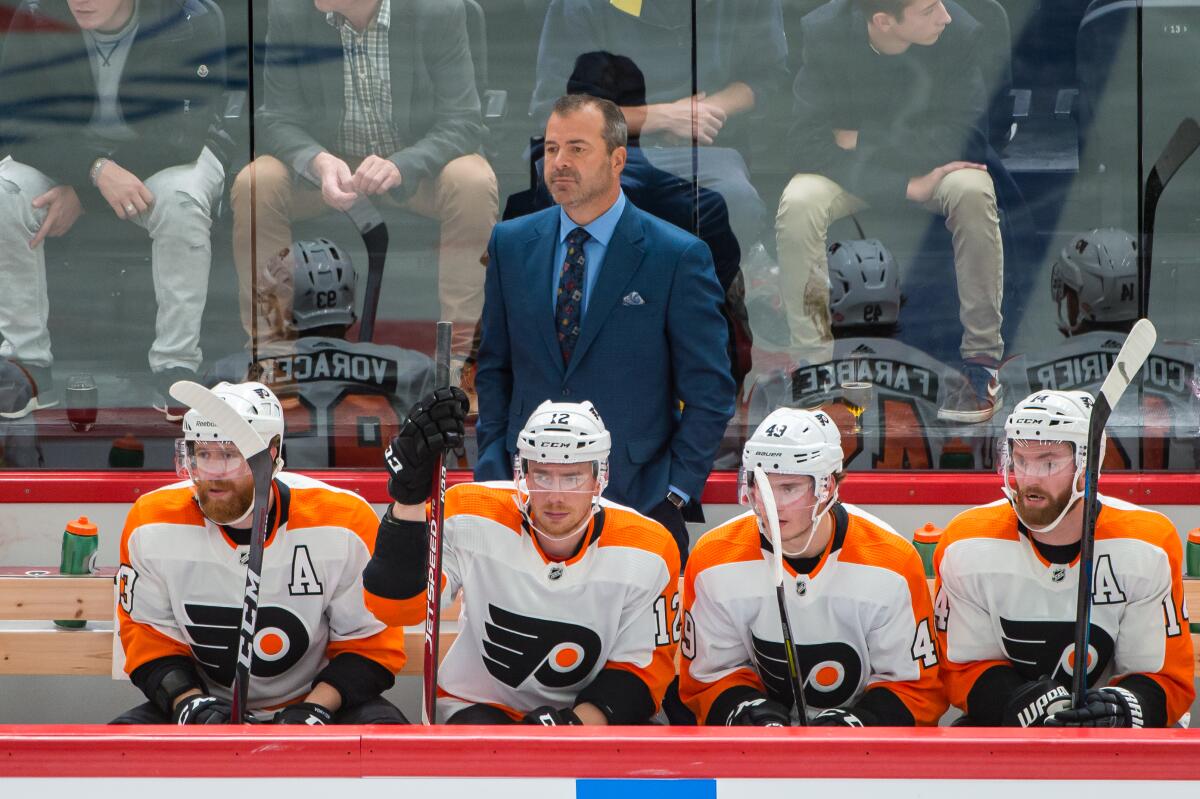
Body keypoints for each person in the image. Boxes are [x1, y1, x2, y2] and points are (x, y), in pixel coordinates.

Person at [474, 94, 736, 564]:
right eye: (552, 148)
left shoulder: (677, 256)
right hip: (523, 504)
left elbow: (710, 391)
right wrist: (494, 467)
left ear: (618, 159)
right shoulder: (511, 243)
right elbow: (495, 367)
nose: (559, 162)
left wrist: (674, 494)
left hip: (637, 503)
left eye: (577, 148)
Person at [365, 394, 680, 724]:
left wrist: (571, 727)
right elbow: (394, 608)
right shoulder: (469, 513)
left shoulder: (649, 547)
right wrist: (408, 502)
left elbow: (642, 671)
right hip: (477, 707)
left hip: (588, 721)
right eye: (542, 475)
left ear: (599, 476)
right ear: (524, 474)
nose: (556, 496)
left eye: (572, 477)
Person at [113, 381, 408, 724]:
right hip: (207, 701)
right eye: (203, 454)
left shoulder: (342, 521)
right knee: (114, 753)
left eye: (229, 454)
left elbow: (369, 643)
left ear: (271, 453)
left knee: (388, 742)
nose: (214, 473)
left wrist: (316, 709)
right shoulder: (151, 522)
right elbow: (149, 636)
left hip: (317, 698)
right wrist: (188, 702)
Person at [234, 0, 499, 368]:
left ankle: (463, 361)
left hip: (414, 172)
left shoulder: (438, 11)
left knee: (472, 179)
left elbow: (464, 121)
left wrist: (401, 164)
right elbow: (276, 118)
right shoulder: (290, 12)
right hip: (331, 175)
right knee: (256, 182)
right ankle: (273, 357)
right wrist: (318, 161)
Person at [0, 0, 232, 419]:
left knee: (181, 201)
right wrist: (94, 172)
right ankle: (26, 363)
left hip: (168, 157)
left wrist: (86, 192)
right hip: (70, 159)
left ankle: (177, 365)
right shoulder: (35, 13)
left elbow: (184, 133)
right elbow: (17, 125)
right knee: (6, 191)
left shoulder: (192, 19)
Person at [777, 0, 1005, 424]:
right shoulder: (825, 33)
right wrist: (902, 186)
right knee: (799, 200)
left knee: (973, 189)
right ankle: (813, 365)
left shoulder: (959, 34)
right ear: (883, 20)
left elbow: (966, 137)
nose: (945, 14)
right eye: (927, 9)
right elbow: (804, 144)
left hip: (935, 168)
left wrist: (855, 138)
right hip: (857, 174)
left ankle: (983, 360)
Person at [934, 390, 1195, 727]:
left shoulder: (1146, 543)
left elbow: (1163, 676)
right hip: (1010, 734)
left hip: (1115, 748)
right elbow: (962, 667)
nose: (1029, 477)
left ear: (1086, 463)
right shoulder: (966, 542)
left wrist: (1122, 708)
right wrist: (1014, 701)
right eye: (1021, 459)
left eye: (1048, 462)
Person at [680, 407, 946, 726]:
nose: (770, 504)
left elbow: (916, 688)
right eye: (761, 485)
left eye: (788, 488)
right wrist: (740, 709)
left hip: (865, 760)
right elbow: (708, 678)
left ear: (827, 488)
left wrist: (864, 722)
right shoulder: (715, 557)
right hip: (755, 756)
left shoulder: (891, 560)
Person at [530, 0, 788, 264]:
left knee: (734, 201)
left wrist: (703, 112)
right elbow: (555, 110)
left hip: (707, 150)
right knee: (593, 202)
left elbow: (767, 75)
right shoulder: (580, 6)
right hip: (605, 149)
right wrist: (661, 117)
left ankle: (713, 295)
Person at [206, 238, 435, 468]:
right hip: (375, 497)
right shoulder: (413, 369)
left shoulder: (232, 374)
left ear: (282, 307)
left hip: (287, 496)